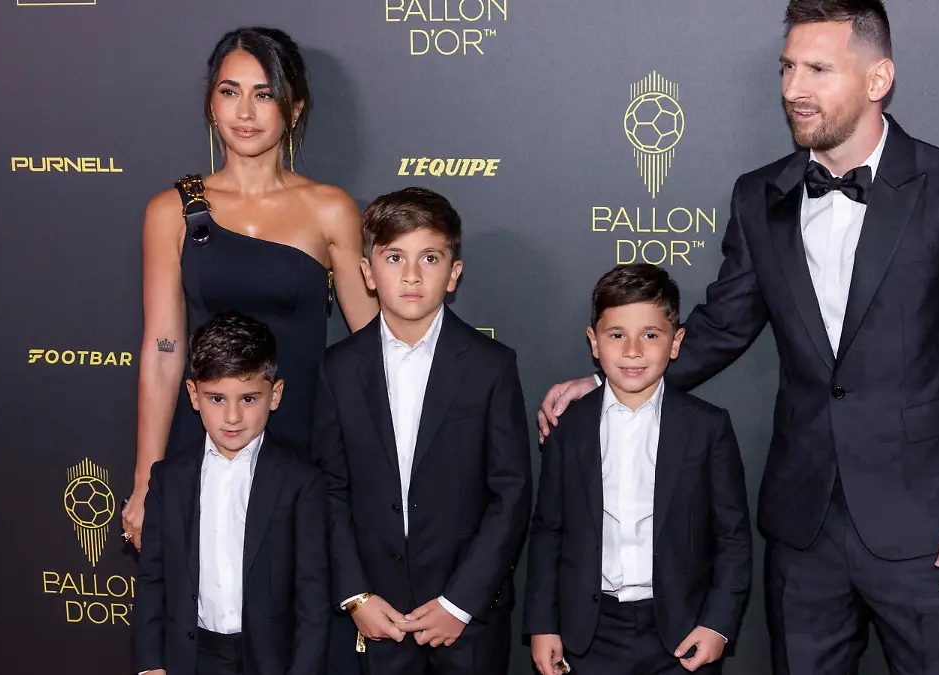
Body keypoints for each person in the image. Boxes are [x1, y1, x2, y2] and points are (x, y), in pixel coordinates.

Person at [538, 1, 939, 672]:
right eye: (788, 67)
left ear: (878, 77)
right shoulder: (758, 196)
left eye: (819, 69)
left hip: (929, 524)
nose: (794, 88)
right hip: (804, 526)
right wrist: (603, 382)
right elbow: (721, 325)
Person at [122, 26, 378, 552]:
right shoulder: (170, 210)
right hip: (206, 439)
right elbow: (164, 352)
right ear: (211, 102)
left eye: (264, 94)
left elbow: (373, 345)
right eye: (230, 91)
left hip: (303, 441)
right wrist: (147, 480)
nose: (245, 111)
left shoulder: (329, 209)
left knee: (294, 615)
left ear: (295, 108)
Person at [312, 187, 532, 675]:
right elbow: (330, 488)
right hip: (376, 614)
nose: (411, 275)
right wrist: (355, 594)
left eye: (429, 258)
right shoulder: (338, 368)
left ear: (453, 273)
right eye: (394, 257)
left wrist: (459, 603)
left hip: (468, 618)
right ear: (367, 272)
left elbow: (511, 494)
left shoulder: (491, 366)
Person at [524, 264, 752, 675]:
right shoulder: (568, 426)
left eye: (650, 335)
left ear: (676, 342)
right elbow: (548, 531)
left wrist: (718, 624)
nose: (633, 350)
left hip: (682, 631)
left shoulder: (707, 426)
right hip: (589, 633)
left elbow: (732, 537)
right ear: (594, 342)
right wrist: (543, 624)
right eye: (616, 336)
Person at [132, 310, 328, 675]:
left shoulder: (302, 483)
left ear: (275, 394)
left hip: (270, 661)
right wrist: (150, 664)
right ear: (193, 395)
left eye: (249, 399)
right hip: (189, 658)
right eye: (217, 398)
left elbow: (313, 600)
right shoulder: (168, 479)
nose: (233, 417)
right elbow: (151, 580)